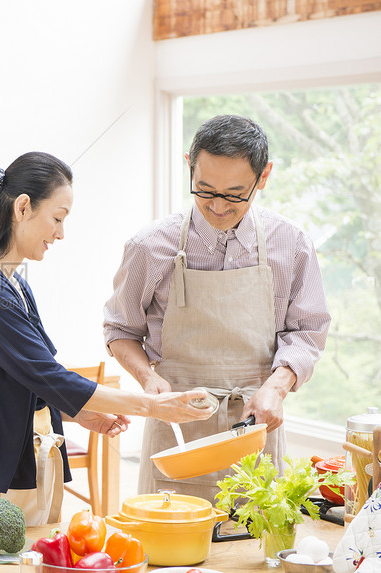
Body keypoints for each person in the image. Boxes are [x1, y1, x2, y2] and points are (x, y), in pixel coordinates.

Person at [0, 151, 215, 538]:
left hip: (19, 461)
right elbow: (46, 374)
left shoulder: (13, 282)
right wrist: (152, 406)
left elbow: (26, 378)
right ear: (23, 207)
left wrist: (76, 414)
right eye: (58, 218)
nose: (60, 234)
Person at [104, 115, 331, 502]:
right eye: (204, 190)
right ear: (189, 163)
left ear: (264, 177)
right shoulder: (149, 246)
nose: (218, 207)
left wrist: (276, 388)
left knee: (254, 552)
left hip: (256, 423)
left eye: (234, 194)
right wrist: (148, 380)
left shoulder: (291, 244)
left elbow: (307, 331)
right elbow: (120, 331)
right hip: (176, 426)